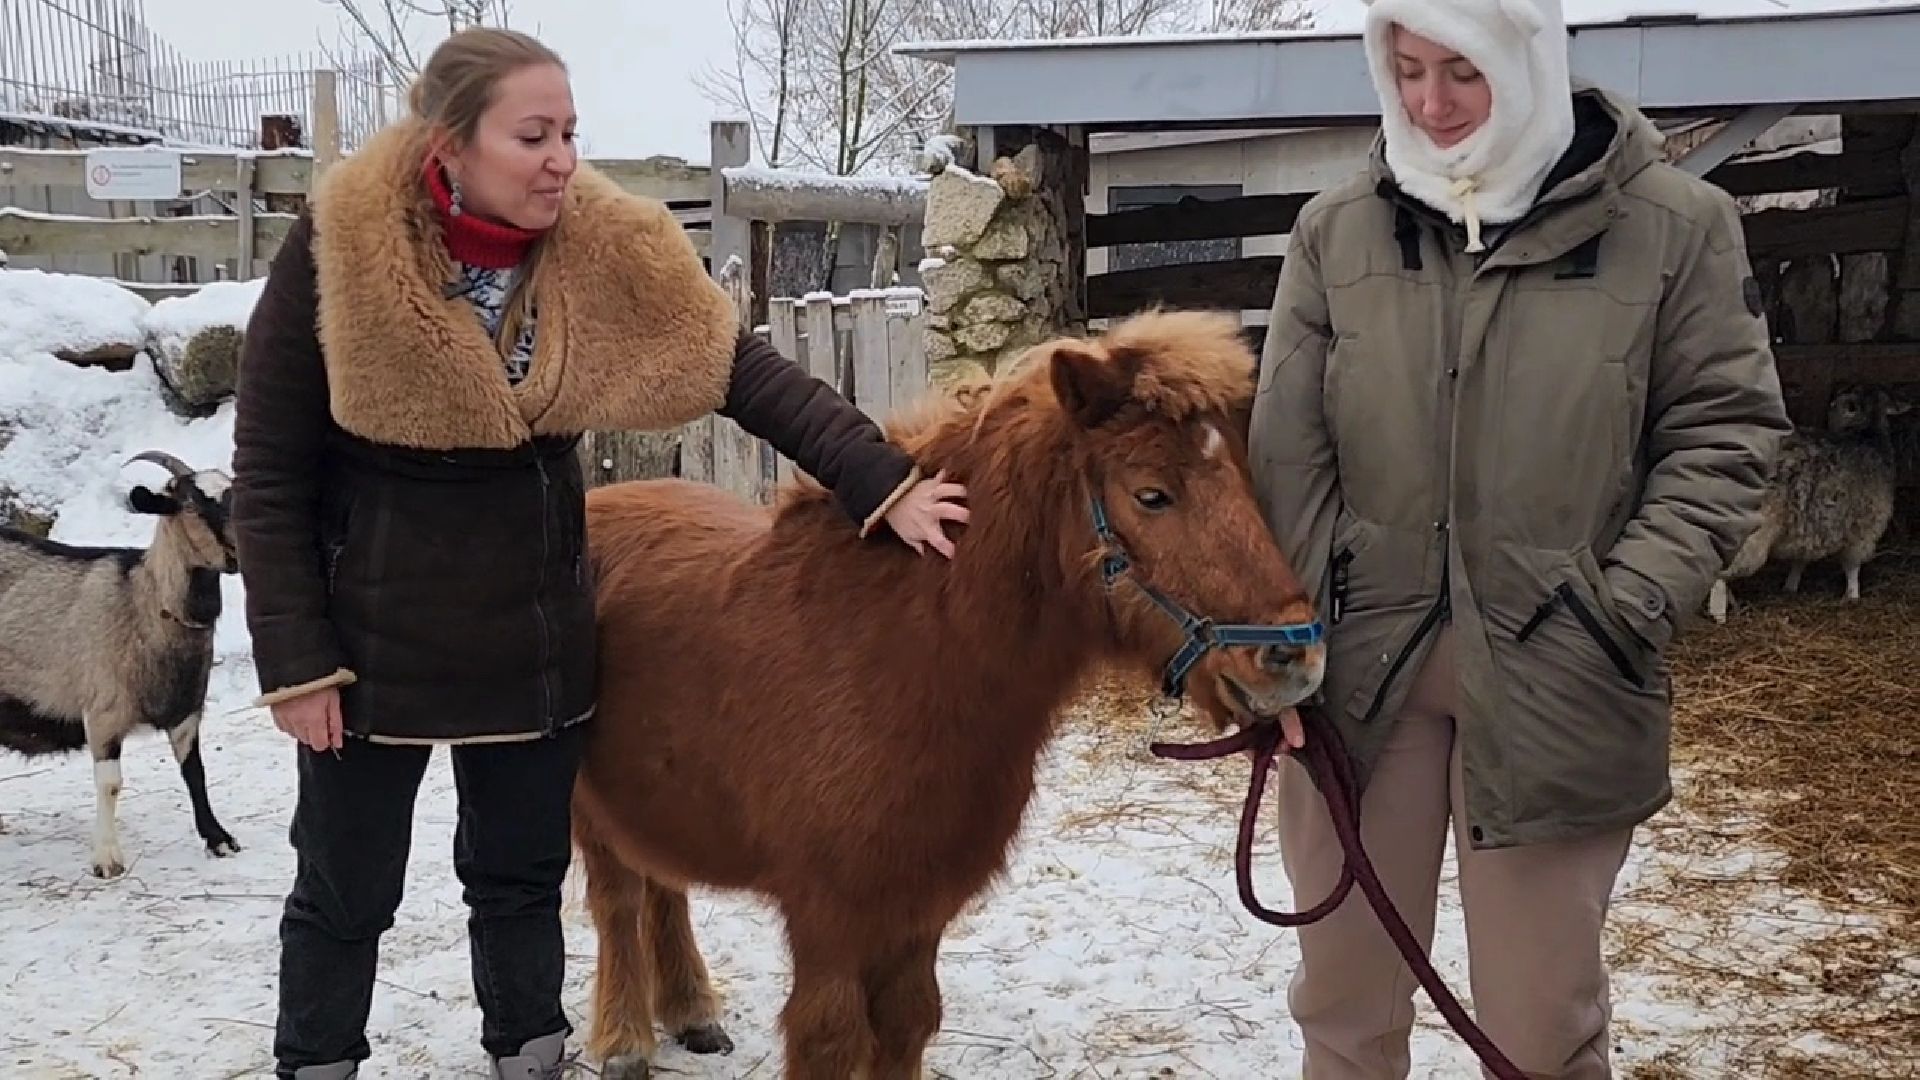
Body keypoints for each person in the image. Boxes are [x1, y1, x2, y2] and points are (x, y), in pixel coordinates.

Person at [229, 27, 968, 1080]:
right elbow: (266, 469)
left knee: (520, 879)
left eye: (571, 132)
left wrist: (879, 480)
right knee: (347, 891)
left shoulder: (601, 243)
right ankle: (317, 1061)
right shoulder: (339, 250)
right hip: (371, 643)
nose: (562, 159)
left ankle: (528, 1056)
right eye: (532, 135)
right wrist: (298, 659)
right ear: (450, 143)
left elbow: (739, 367)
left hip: (532, 634)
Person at [1247, 1, 1790, 1077]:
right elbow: (1289, 457)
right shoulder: (1338, 230)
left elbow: (1726, 435)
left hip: (1560, 670)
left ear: (1530, 58)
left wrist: (1620, 609)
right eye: (1406, 70)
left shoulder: (1673, 226)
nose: (1430, 104)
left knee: (1541, 1029)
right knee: (1345, 1011)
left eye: (1463, 70)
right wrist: (1281, 659)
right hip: (1359, 675)